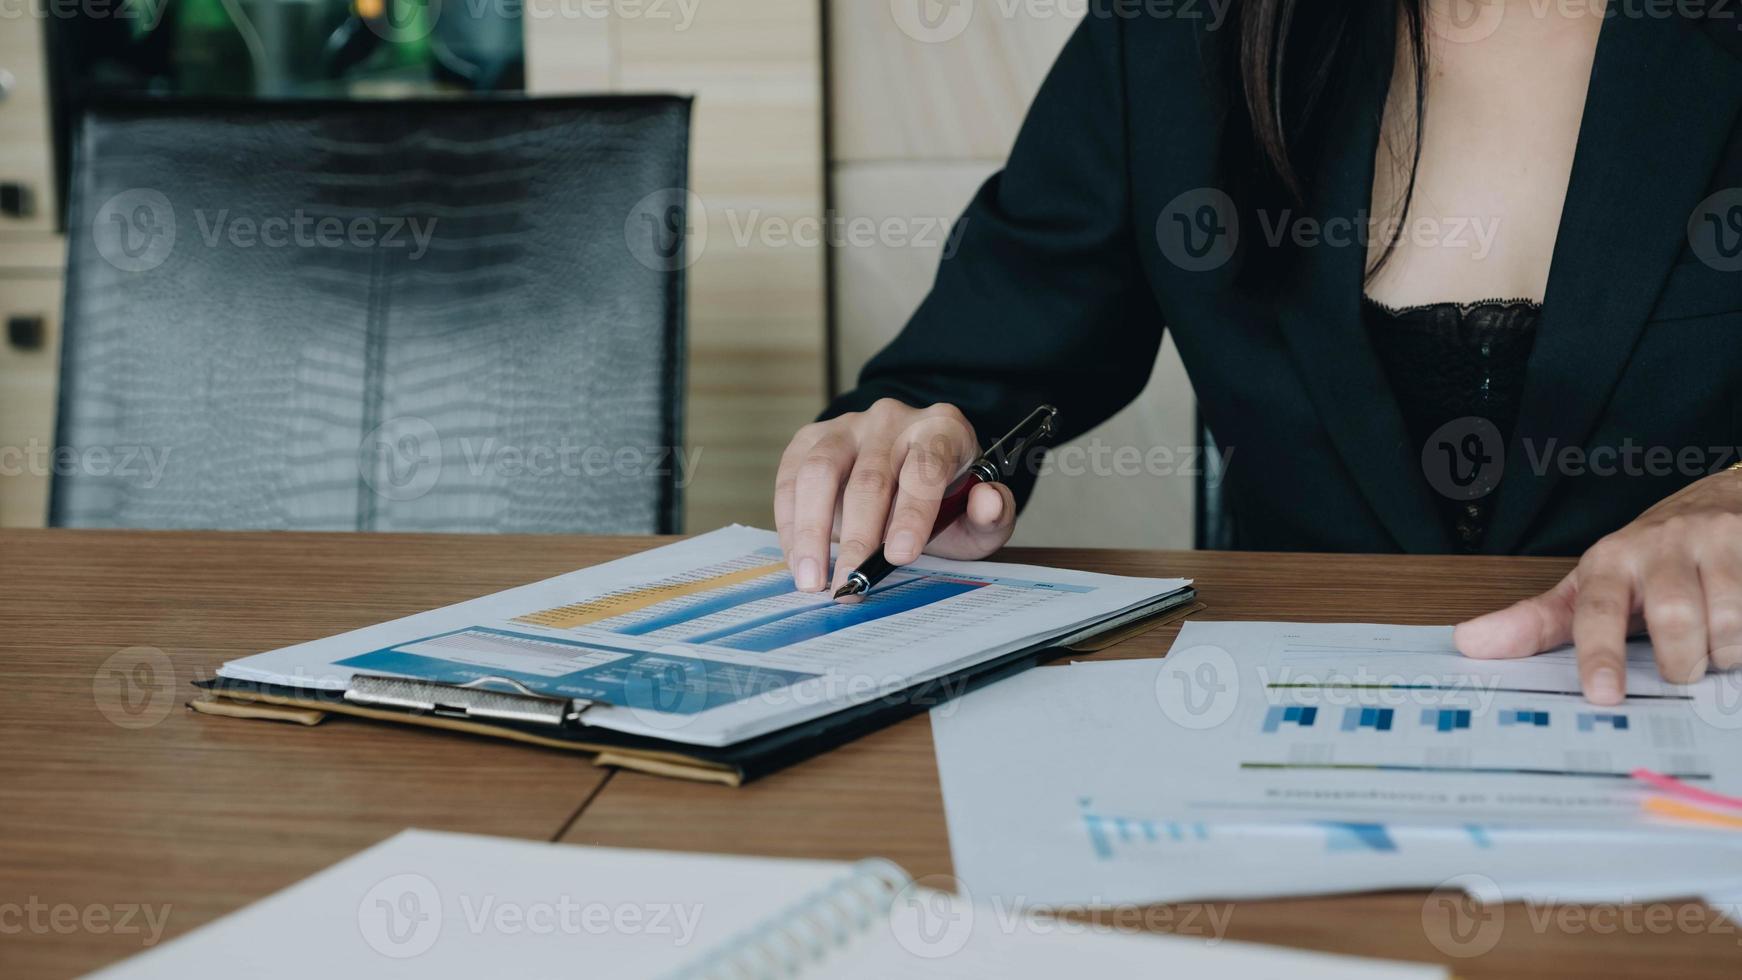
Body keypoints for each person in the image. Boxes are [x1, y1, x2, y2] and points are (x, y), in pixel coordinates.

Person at [774, 2, 1742, 705]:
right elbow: (967, 376)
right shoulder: (1177, 31)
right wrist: (921, 451)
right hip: (1283, 723)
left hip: (1686, 704)